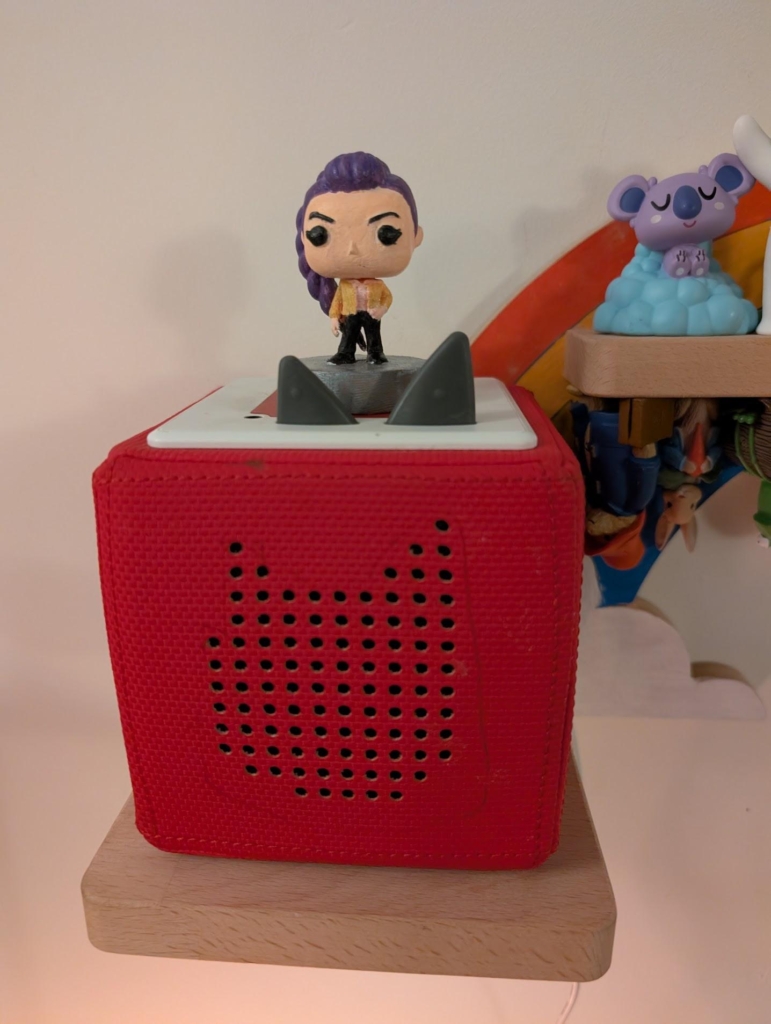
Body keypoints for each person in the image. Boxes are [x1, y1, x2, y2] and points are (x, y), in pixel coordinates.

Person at [296, 152, 423, 364]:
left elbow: (387, 298)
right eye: (320, 235)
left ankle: (376, 353)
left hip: (372, 313)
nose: (352, 250)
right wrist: (334, 317)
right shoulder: (345, 287)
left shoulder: (378, 286)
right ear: (304, 237)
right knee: (349, 334)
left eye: (386, 232)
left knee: (374, 334)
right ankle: (345, 353)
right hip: (351, 312)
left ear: (416, 236)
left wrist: (381, 309)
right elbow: (337, 303)